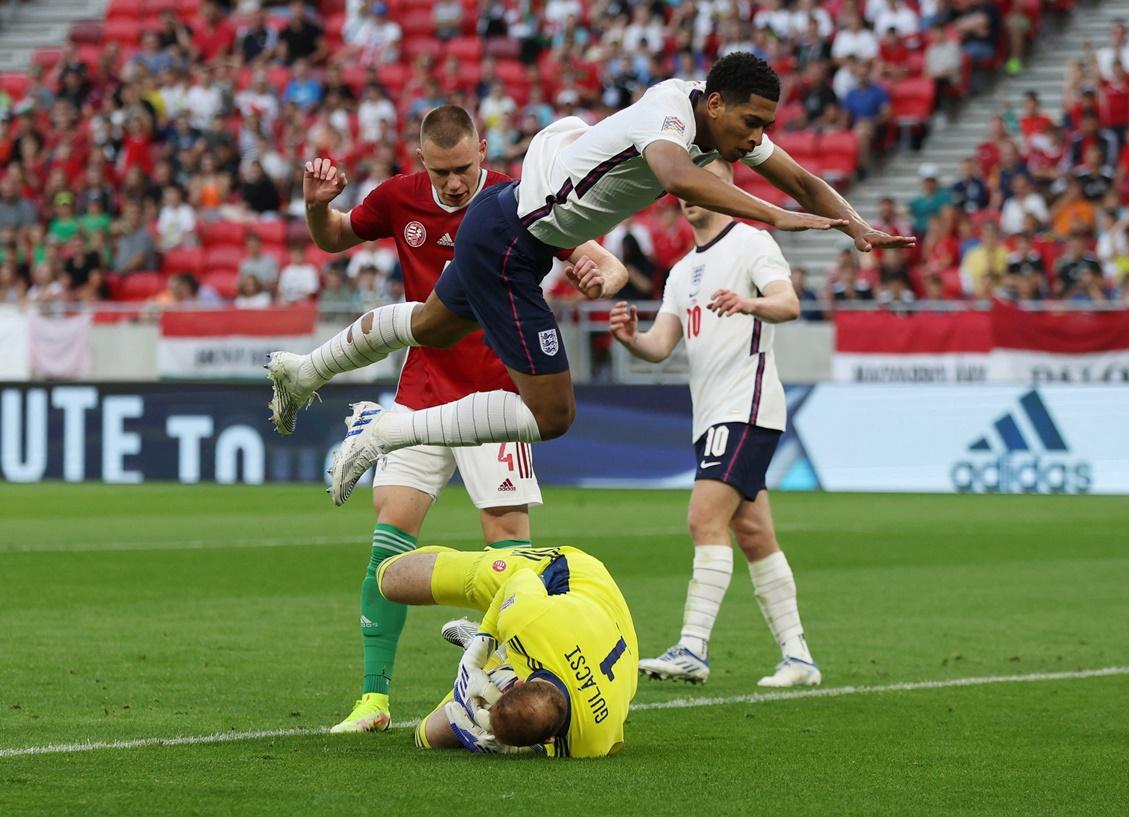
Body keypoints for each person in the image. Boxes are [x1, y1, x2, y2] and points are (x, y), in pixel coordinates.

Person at [269, 52, 913, 506]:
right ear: (715, 104)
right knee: (552, 416)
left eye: (765, 126)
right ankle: (388, 430)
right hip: (512, 245)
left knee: (433, 324)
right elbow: (678, 177)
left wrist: (853, 225)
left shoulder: (722, 124)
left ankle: (307, 371)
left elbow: (800, 179)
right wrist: (778, 218)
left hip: (505, 219)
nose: (757, 138)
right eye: (751, 124)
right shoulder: (673, 116)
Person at [269, 107, 552, 734]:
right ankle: (373, 700)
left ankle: (506, 690)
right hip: (424, 388)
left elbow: (581, 245)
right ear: (421, 161)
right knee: (388, 537)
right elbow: (335, 236)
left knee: (508, 543)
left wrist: (597, 266)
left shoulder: (514, 199)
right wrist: (316, 205)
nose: (453, 183)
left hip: (496, 395)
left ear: (484, 149)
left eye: (464, 168)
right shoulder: (399, 198)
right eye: (441, 171)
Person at [607, 160, 820, 688]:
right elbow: (661, 345)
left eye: (706, 181)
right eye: (686, 183)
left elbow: (789, 304)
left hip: (746, 406)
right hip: (712, 414)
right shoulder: (681, 272)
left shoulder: (752, 243)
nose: (692, 192)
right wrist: (632, 338)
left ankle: (693, 647)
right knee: (752, 533)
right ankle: (798, 658)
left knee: (704, 518)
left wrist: (750, 302)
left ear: (726, 187)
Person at [377, 543, 637, 757]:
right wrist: (476, 654)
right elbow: (520, 579)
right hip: (568, 577)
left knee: (427, 736)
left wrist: (508, 743)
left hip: (612, 635)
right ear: (517, 680)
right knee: (390, 578)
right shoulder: (528, 620)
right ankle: (494, 642)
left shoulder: (588, 744)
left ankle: (499, 656)